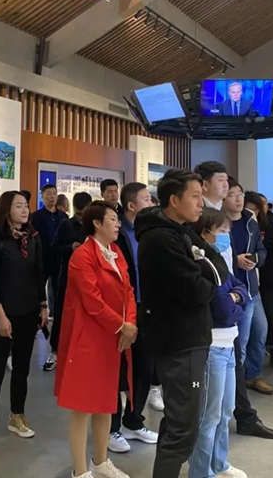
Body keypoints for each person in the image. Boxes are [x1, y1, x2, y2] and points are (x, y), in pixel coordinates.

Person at [136, 169, 215, 478]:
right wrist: (208, 279)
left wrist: (205, 274)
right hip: (179, 343)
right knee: (183, 427)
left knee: (181, 420)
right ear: (173, 200)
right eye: (195, 196)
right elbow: (200, 288)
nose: (201, 203)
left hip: (191, 339)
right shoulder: (161, 239)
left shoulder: (181, 230)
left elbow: (217, 267)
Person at [55, 202, 136, 478]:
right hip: (88, 339)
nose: (118, 224)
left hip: (112, 338)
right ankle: (80, 471)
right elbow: (92, 301)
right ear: (97, 223)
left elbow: (128, 291)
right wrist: (122, 325)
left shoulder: (115, 252)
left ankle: (101, 462)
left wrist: (130, 324)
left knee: (105, 402)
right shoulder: (82, 256)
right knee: (82, 407)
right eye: (112, 219)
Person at [0, 191, 47, 453]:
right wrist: (0, 315)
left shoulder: (33, 237)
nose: (25, 210)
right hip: (3, 313)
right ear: (7, 209)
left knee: (21, 368)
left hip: (29, 312)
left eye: (26, 205)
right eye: (19, 206)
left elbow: (39, 273)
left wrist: (43, 305)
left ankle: (16, 416)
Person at [188, 208, 249, 478]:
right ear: (206, 233)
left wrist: (235, 298)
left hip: (228, 343)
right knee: (209, 415)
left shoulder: (219, 261)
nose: (226, 236)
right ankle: (201, 472)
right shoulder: (201, 264)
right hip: (211, 347)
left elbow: (241, 289)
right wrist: (236, 300)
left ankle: (219, 463)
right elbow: (222, 310)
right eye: (222, 231)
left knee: (226, 411)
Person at [109, 183, 158, 454]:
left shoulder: (149, 232)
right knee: (117, 371)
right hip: (121, 310)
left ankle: (133, 420)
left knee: (144, 366)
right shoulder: (117, 233)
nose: (151, 203)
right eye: (146, 199)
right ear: (131, 206)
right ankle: (111, 427)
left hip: (146, 308)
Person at [222, 182, 271, 395]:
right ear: (223, 199)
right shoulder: (218, 222)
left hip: (252, 287)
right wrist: (236, 260)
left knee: (260, 332)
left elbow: (262, 250)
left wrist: (255, 259)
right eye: (232, 195)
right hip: (234, 289)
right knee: (240, 340)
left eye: (240, 194)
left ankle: (253, 375)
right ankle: (236, 388)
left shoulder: (250, 221)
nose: (238, 199)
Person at [49, 192, 93, 361]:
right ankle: (56, 347)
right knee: (61, 311)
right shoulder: (66, 224)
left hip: (87, 276)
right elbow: (54, 247)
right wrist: (70, 247)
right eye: (80, 213)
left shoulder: (93, 226)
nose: (82, 216)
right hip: (67, 275)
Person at [246, 191, 273, 372]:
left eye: (258, 207)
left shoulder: (270, 221)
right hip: (247, 279)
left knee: (269, 317)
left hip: (268, 276)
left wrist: (259, 251)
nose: (255, 211)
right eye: (252, 208)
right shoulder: (242, 223)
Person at [31, 184, 68, 370]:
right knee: (37, 291)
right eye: (48, 194)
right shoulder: (36, 217)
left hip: (58, 261)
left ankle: (53, 319)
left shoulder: (63, 217)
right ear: (42, 196)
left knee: (57, 292)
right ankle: (36, 320)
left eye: (54, 194)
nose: (51, 197)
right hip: (41, 260)